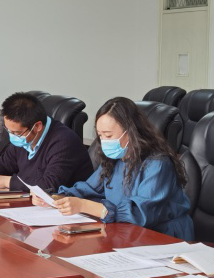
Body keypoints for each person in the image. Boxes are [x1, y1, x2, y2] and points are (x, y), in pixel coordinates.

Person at [40, 97, 193, 240]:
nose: (104, 142)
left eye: (108, 135)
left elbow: (141, 214)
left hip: (162, 236)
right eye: (100, 136)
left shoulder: (158, 163)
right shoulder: (114, 159)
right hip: (126, 232)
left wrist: (85, 205)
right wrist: (57, 197)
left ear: (131, 132)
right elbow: (88, 188)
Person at [0, 92, 93, 193]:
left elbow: (49, 185)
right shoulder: (24, 138)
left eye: (16, 133)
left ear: (37, 126)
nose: (12, 136)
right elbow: (3, 163)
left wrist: (7, 181)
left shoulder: (64, 142)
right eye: (8, 130)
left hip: (67, 206)